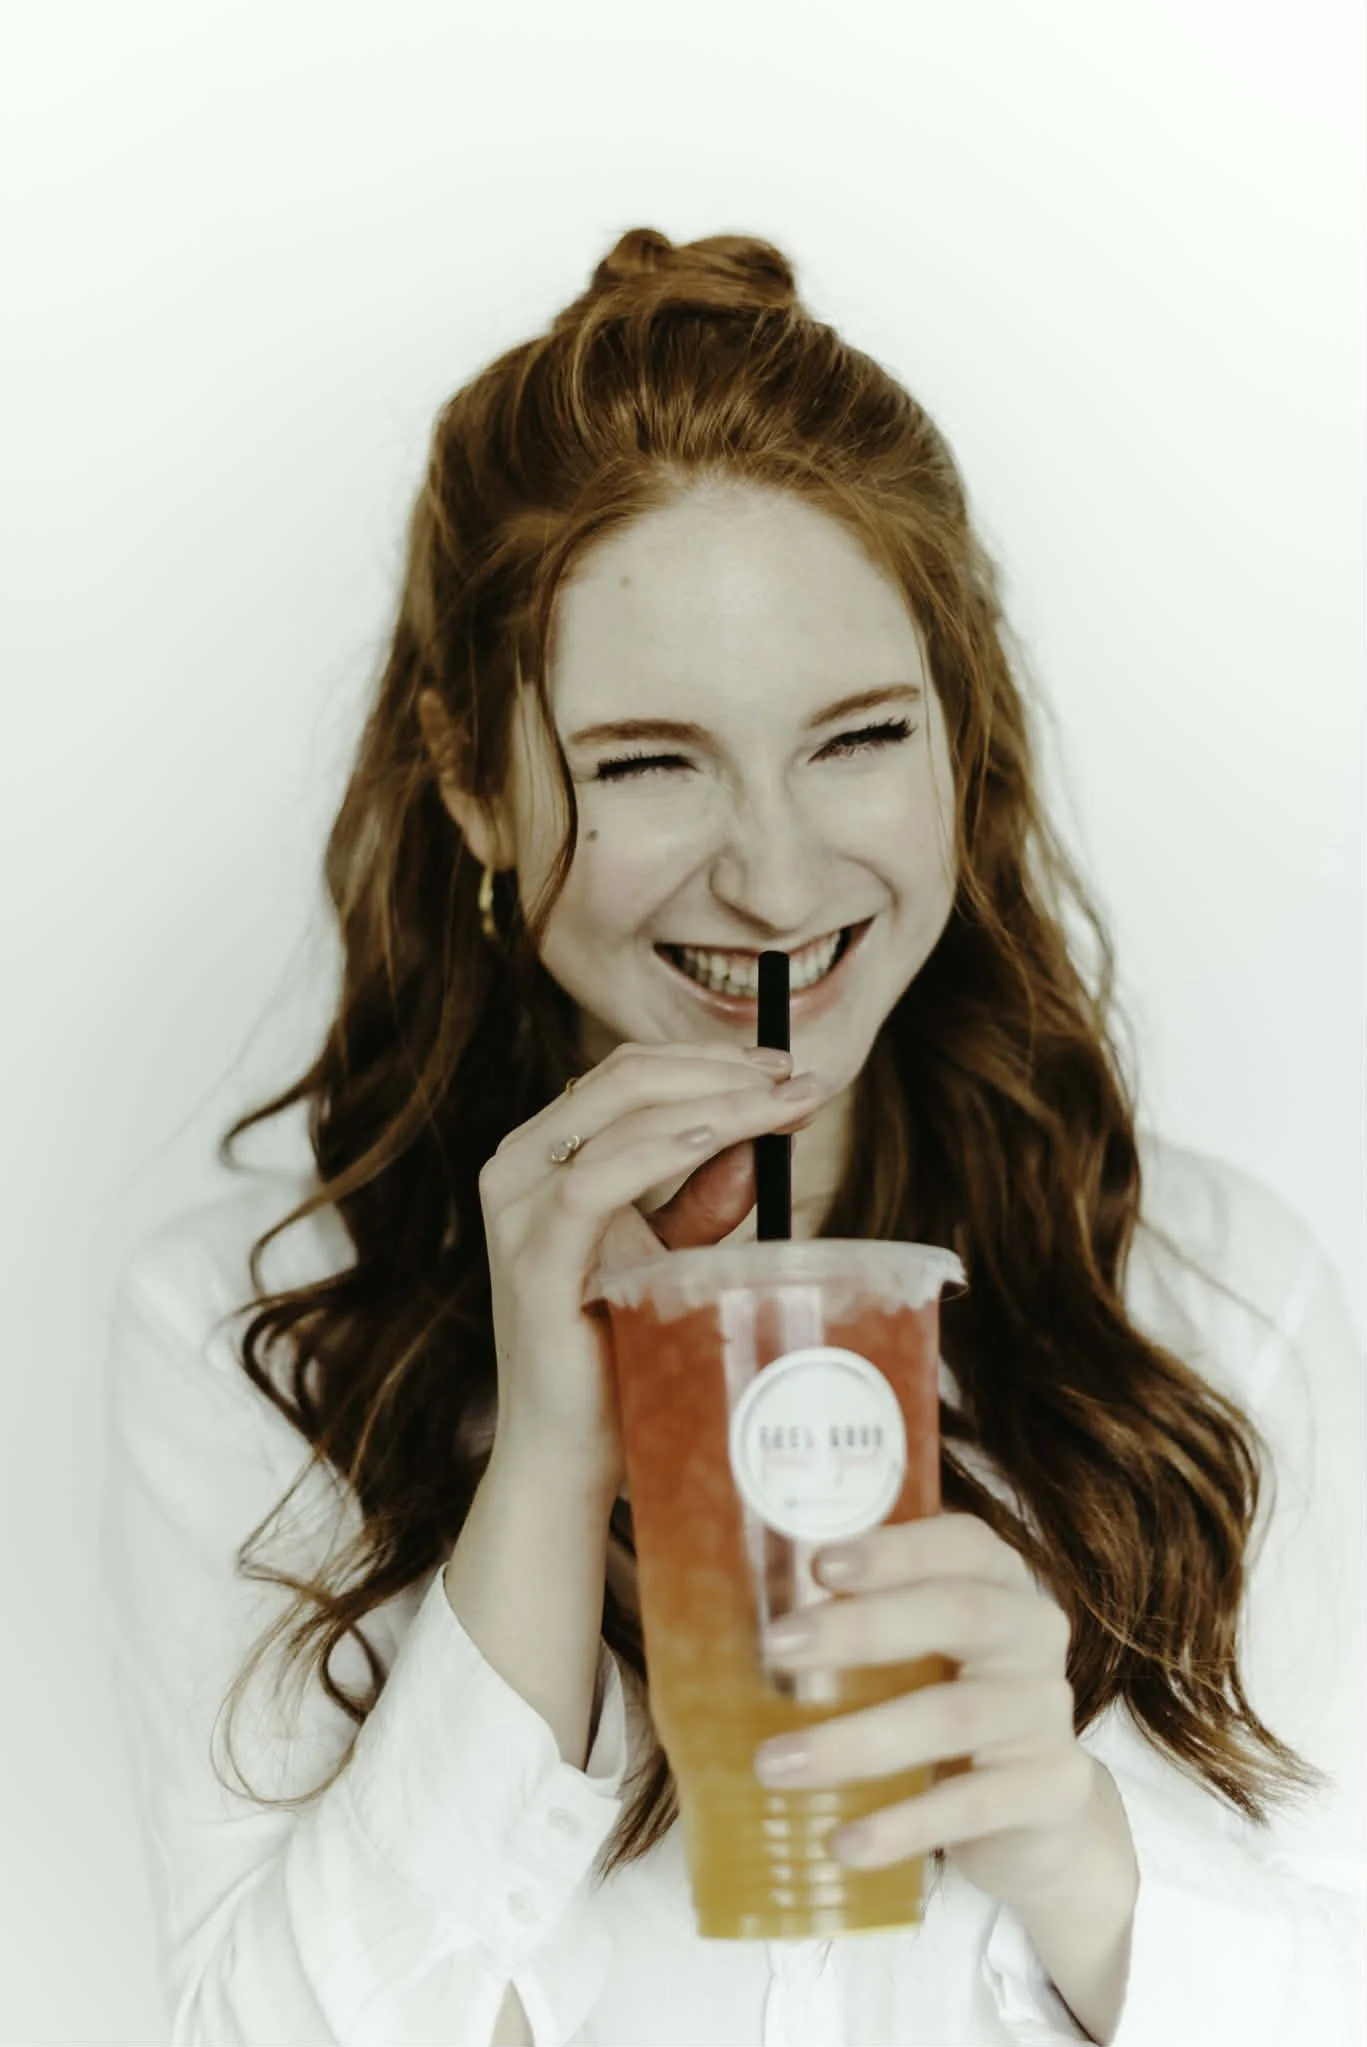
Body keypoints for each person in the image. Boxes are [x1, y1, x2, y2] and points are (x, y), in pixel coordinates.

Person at [99, 227, 1363, 2047]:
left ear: (958, 737)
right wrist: (549, 1464)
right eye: (645, 763)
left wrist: (1075, 1852)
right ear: (470, 782)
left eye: (855, 739)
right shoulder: (245, 1326)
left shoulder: (1214, 1301)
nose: (773, 881)